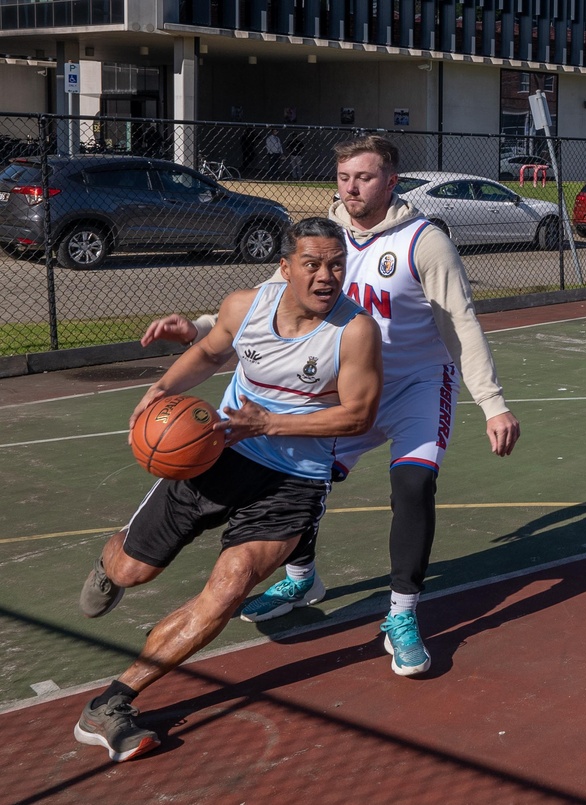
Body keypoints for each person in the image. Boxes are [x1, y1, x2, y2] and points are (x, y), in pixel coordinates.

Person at [140, 135, 521, 676]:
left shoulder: (423, 240)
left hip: (415, 385)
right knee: (303, 475)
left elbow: (460, 324)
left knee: (413, 484)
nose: (352, 187)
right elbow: (273, 295)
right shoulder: (325, 238)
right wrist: (201, 327)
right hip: (346, 388)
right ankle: (302, 579)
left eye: (364, 178)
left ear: (391, 181)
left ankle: (403, 614)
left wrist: (492, 402)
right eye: (344, 177)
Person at [74, 218, 383, 761]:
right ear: (285, 267)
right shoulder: (246, 307)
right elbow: (214, 353)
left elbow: (357, 416)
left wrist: (270, 424)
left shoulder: (354, 331)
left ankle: (112, 703)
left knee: (231, 585)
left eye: (337, 264)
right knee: (133, 571)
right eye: (312, 264)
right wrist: (160, 387)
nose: (326, 275)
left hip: (295, 479)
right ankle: (110, 565)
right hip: (218, 453)